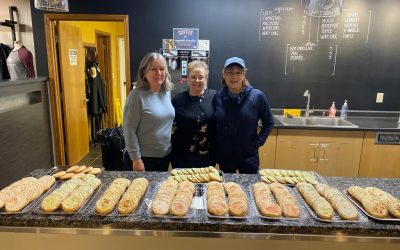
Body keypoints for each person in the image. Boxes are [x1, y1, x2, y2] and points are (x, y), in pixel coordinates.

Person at [213, 57, 274, 174]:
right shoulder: (217, 97)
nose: (234, 77)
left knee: (249, 189)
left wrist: (257, 143)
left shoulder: (257, 96)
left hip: (248, 157)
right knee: (227, 190)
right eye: (230, 72)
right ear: (223, 74)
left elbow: (269, 123)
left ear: (244, 74)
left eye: (238, 73)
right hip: (225, 157)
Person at [123, 52, 175, 171]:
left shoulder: (166, 92)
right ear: (144, 72)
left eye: (162, 69)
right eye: (153, 69)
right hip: (143, 158)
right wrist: (136, 159)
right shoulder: (136, 95)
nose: (159, 73)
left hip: (164, 156)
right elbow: (128, 129)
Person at [171, 60, 217, 169]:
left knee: (205, 185)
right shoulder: (178, 99)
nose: (197, 80)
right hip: (182, 155)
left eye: (201, 77)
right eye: (193, 77)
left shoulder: (215, 97)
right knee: (183, 185)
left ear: (206, 78)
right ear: (187, 78)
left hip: (207, 155)